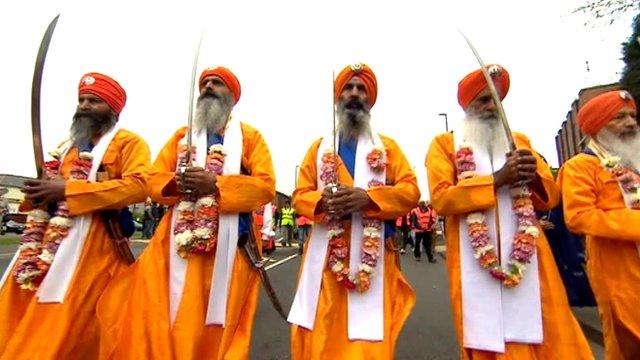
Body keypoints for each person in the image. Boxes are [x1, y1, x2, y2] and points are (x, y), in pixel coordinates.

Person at [97, 66, 276, 359]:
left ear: (232, 97)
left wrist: (216, 184)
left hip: (230, 249)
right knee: (156, 315)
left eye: (216, 84)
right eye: (204, 83)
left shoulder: (250, 138)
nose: (207, 87)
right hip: (173, 246)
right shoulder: (182, 136)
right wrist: (175, 182)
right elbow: (152, 180)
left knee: (216, 328)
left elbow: (266, 186)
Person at [426, 64, 592, 359]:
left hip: (530, 259)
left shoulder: (520, 141)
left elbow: (550, 197)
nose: (492, 106)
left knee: (552, 331)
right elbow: (441, 199)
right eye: (483, 99)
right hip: (473, 259)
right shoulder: (443, 145)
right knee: (486, 340)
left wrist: (534, 178)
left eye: (496, 99)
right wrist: (496, 180)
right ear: (467, 106)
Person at [0, 72, 151, 358]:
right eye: (81, 99)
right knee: (19, 317)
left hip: (94, 256)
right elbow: (48, 196)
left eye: (94, 101)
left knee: (65, 333)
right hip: (42, 248)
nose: (83, 105)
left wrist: (69, 190)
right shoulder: (64, 148)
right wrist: (38, 195)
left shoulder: (129, 144)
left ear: (113, 109)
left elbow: (140, 186)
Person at [288, 63, 420, 359]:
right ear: (338, 97)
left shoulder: (388, 149)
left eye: (361, 89)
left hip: (373, 265)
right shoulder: (318, 149)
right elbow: (299, 195)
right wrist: (322, 203)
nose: (354, 93)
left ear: (369, 100)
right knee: (319, 340)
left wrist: (369, 199)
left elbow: (411, 191)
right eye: (348, 87)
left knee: (368, 348)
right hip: (324, 264)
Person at [557, 90, 640, 359]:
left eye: (632, 116)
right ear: (598, 125)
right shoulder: (580, 166)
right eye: (619, 117)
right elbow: (579, 216)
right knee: (627, 343)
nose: (630, 123)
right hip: (617, 270)